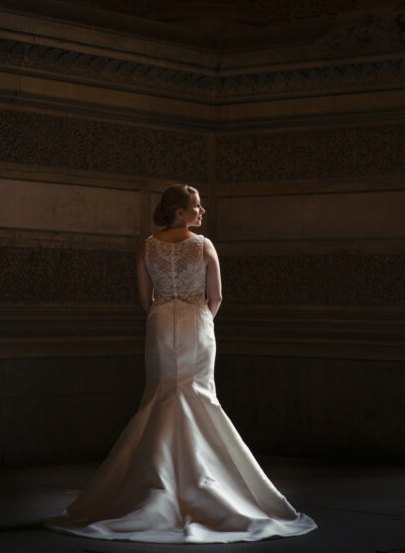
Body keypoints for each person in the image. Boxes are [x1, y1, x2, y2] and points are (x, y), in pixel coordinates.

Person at [46, 184, 316, 543]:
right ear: (180, 211)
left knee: (160, 396)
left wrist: (164, 314)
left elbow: (145, 298)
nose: (202, 212)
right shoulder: (204, 246)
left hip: (159, 324)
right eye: (197, 206)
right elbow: (216, 296)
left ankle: (151, 485)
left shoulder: (147, 246)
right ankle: (206, 486)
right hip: (196, 323)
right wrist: (200, 319)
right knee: (199, 397)